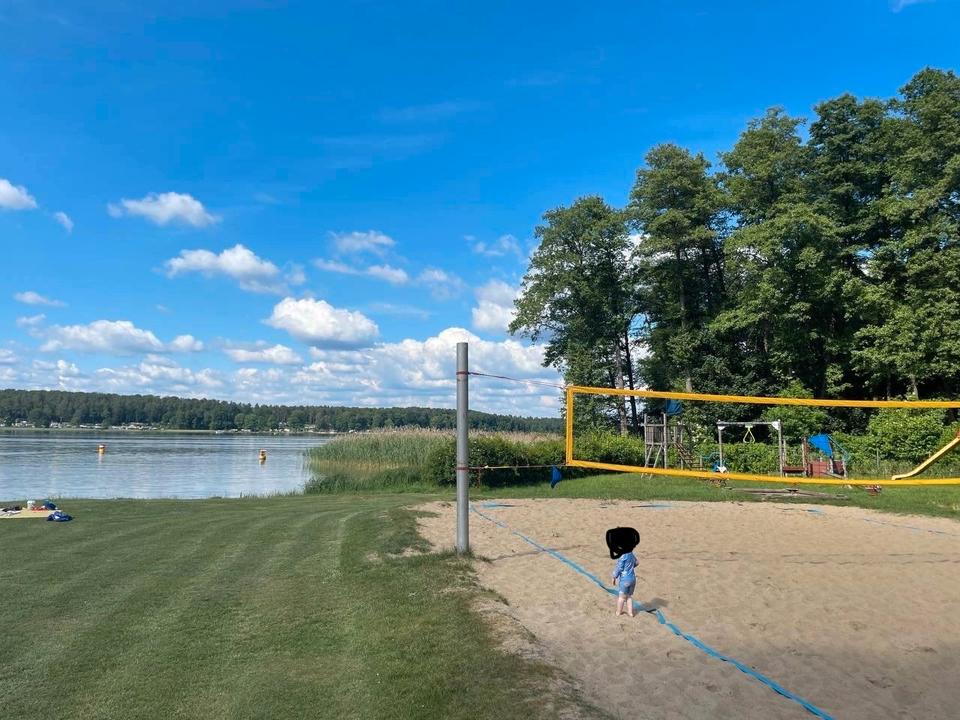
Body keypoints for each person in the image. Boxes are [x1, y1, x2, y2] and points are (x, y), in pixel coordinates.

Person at [611, 547, 638, 617]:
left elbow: (619, 568)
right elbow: (637, 562)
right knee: (629, 597)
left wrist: (614, 576)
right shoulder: (631, 554)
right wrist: (630, 567)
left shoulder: (623, 556)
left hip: (625, 580)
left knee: (622, 597)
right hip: (633, 579)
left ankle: (618, 612)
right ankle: (630, 613)